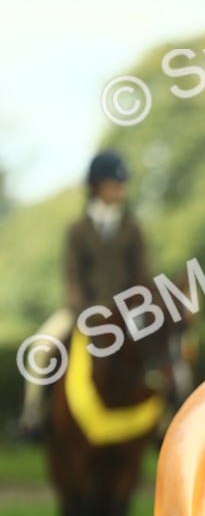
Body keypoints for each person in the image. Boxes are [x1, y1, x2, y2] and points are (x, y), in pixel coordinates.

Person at [16, 150, 151, 437]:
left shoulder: (132, 228)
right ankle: (33, 414)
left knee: (162, 350)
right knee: (41, 350)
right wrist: (85, 312)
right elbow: (72, 276)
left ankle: (164, 416)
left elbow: (141, 274)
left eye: (122, 184)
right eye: (116, 184)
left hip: (125, 313)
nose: (121, 190)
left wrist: (133, 308)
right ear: (98, 187)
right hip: (82, 311)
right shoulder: (77, 230)